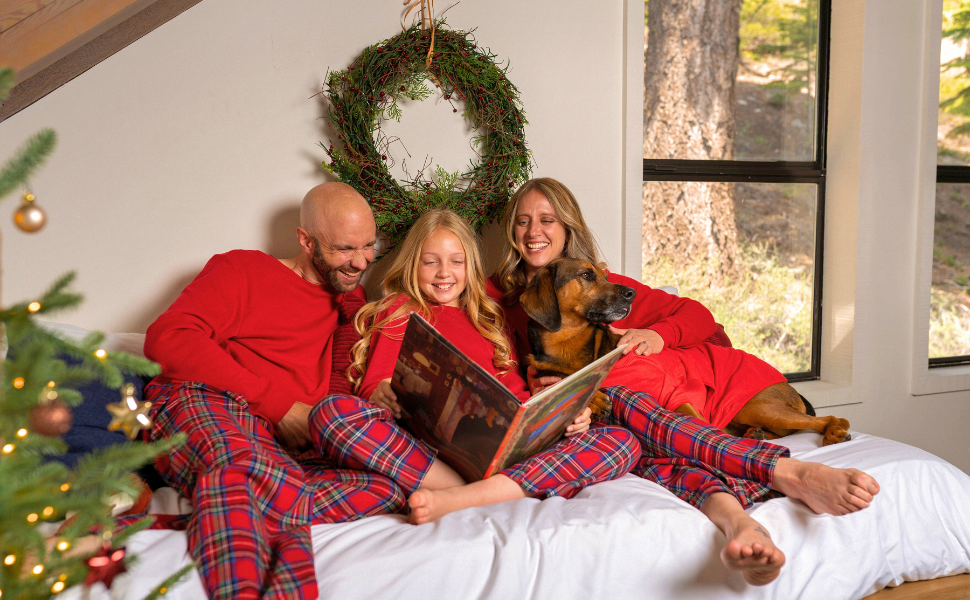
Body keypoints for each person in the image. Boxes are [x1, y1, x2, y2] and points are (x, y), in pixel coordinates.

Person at [487, 176, 881, 585]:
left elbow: (698, 317)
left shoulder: (603, 289)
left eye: (547, 220)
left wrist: (657, 334)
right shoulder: (495, 297)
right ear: (511, 232)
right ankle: (739, 521)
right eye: (522, 221)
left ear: (568, 229)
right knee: (644, 453)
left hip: (680, 396)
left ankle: (784, 477)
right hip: (618, 423)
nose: (534, 232)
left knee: (637, 414)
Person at [143, 183, 400, 600]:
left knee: (386, 489)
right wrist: (280, 407)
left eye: (369, 245)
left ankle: (198, 518)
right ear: (305, 240)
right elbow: (167, 338)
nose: (361, 261)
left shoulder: (353, 308)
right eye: (344, 249)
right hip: (207, 401)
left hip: (280, 452)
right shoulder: (242, 270)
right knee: (242, 466)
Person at [309, 208, 641, 525]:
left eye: (457, 261)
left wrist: (566, 412)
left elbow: (519, 393)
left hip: (510, 450)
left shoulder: (489, 320)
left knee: (620, 442)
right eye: (430, 262)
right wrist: (381, 391)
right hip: (439, 456)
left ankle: (464, 497)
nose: (444, 272)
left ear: (470, 267)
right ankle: (474, 491)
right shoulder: (399, 311)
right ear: (412, 264)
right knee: (332, 413)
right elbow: (374, 384)